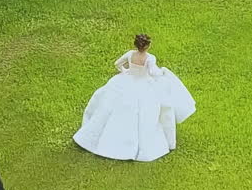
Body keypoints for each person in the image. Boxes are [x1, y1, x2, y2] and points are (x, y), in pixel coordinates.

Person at [73, 34, 195, 162]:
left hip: (126, 81)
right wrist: (162, 72)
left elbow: (117, 64)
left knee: (115, 107)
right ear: (147, 46)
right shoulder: (149, 58)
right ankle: (136, 142)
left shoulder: (130, 54)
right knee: (144, 111)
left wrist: (125, 72)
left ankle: (108, 137)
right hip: (143, 84)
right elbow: (153, 72)